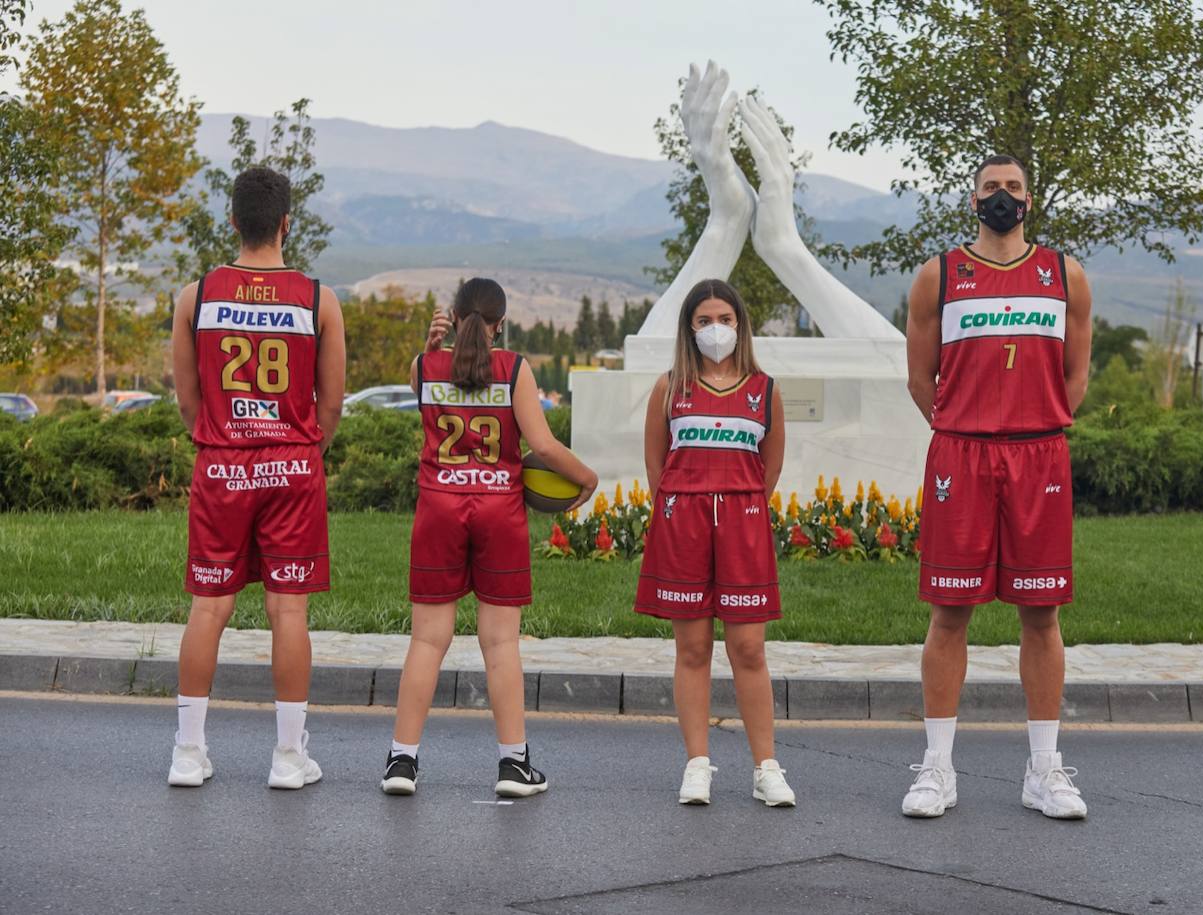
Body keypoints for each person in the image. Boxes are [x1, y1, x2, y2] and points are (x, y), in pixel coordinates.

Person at [902, 154, 1093, 820]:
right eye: (991, 187)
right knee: (949, 613)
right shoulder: (939, 276)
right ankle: (937, 770)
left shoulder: (1065, 275)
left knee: (1041, 615)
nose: (1002, 196)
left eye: (1013, 187)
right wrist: (966, 430)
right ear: (973, 199)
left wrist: (1034, 426)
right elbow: (921, 380)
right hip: (964, 454)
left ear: (1030, 199)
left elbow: (1074, 377)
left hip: (1039, 457)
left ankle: (1044, 771)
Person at [381, 278, 597, 797]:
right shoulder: (516, 368)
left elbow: (426, 380)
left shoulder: (422, 367)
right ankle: (513, 765)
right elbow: (542, 446)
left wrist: (430, 349)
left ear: (452, 318)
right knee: (499, 641)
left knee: (427, 640)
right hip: (498, 511)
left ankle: (401, 763)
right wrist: (587, 478)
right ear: (501, 323)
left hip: (439, 508)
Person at [168, 166, 346, 789]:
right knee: (287, 610)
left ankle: (188, 753)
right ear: (286, 223)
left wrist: (222, 439)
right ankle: (288, 758)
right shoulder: (319, 297)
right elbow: (331, 406)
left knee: (209, 606)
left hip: (221, 464)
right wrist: (301, 450)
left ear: (233, 221)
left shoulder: (196, 296)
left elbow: (188, 401)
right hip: (293, 464)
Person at [635, 278, 794, 808]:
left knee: (749, 648)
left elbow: (768, 469)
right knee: (694, 647)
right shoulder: (670, 387)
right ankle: (697, 764)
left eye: (724, 319)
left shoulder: (764, 389)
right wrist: (686, 506)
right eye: (703, 321)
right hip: (683, 525)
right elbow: (656, 466)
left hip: (743, 527)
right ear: (688, 329)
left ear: (740, 324)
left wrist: (739, 508)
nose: (715, 329)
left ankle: (766, 766)